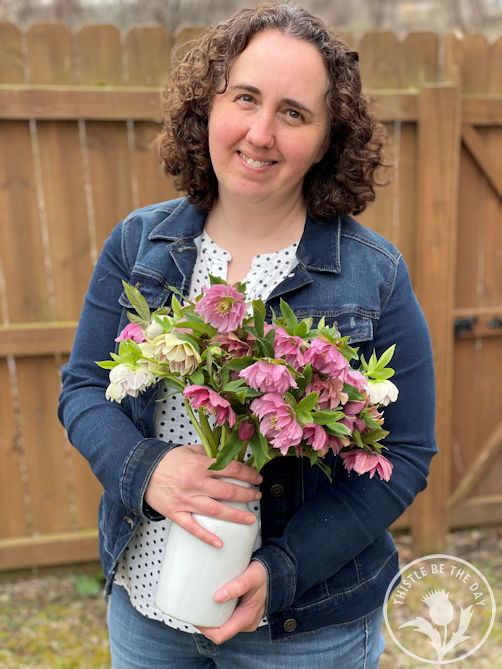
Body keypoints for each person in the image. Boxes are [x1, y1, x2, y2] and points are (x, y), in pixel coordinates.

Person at [58, 3, 437, 668]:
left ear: (328, 138)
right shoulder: (139, 243)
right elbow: (84, 388)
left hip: (304, 627)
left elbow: (403, 455)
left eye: (294, 113)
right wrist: (147, 468)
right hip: (147, 607)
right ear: (208, 104)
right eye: (245, 98)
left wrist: (281, 572)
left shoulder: (374, 273)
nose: (261, 133)